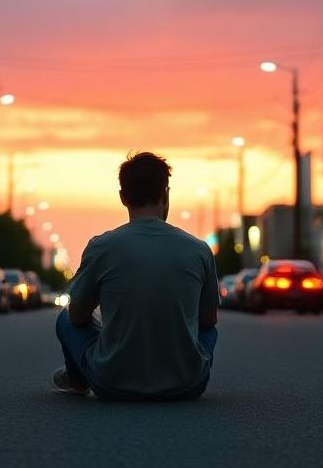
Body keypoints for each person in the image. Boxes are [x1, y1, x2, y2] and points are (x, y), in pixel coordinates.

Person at [53, 151, 219, 400]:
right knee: (209, 332)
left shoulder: (102, 247)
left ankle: (77, 381)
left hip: (111, 384)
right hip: (188, 385)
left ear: (123, 197)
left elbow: (77, 316)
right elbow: (208, 321)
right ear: (165, 194)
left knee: (65, 318)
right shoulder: (199, 250)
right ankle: (180, 370)